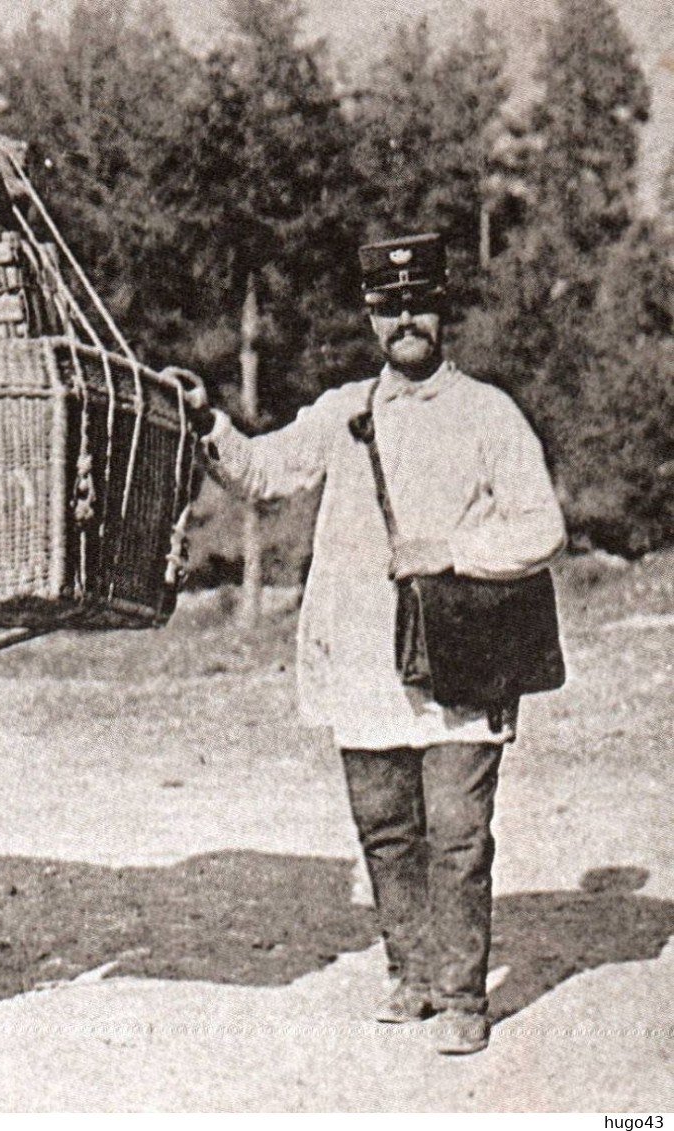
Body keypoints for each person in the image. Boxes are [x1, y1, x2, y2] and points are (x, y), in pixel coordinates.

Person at [185, 232, 566, 1055]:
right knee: (387, 832)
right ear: (369, 316)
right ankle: (412, 974)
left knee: (458, 834)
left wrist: (451, 553)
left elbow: (542, 527)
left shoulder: (488, 413)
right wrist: (204, 420)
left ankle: (463, 995)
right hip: (360, 662)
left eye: (418, 303)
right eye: (388, 306)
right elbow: (259, 471)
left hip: (459, 662)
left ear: (441, 310)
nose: (404, 320)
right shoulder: (341, 411)